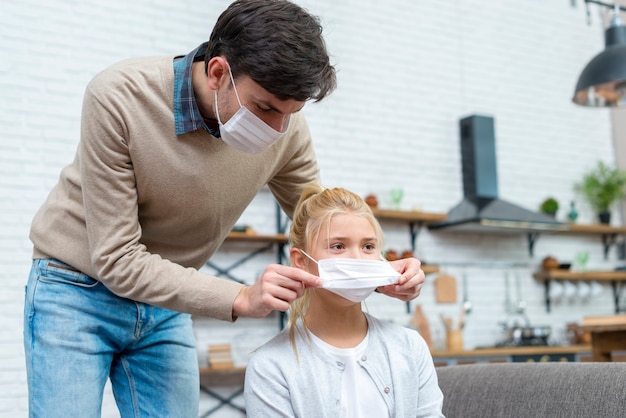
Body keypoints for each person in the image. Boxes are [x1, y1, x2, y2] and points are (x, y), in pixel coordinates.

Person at [24, 1, 426, 416]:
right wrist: (240, 297)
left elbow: (320, 223)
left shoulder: (286, 128)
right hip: (76, 287)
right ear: (218, 73)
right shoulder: (120, 97)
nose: (276, 130)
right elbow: (117, 258)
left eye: (291, 113)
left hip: (166, 297)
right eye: (265, 108)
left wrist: (376, 273)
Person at [244, 184, 444, 417]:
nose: (357, 260)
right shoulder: (270, 366)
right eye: (338, 246)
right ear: (300, 261)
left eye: (368, 246)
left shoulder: (410, 347)